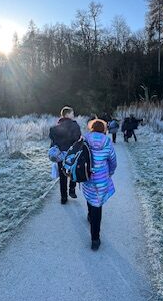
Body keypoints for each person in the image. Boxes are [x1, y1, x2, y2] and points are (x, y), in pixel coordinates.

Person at [82, 119, 117, 250]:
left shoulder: (85, 138)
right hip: (101, 178)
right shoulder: (107, 141)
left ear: (91, 128)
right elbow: (112, 160)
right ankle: (95, 239)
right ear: (104, 130)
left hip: (87, 175)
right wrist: (111, 172)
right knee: (98, 204)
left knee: (90, 196)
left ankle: (90, 215)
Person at [49, 106, 81, 204]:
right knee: (73, 172)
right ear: (67, 114)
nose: (73, 115)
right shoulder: (74, 125)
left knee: (62, 176)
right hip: (72, 153)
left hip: (60, 155)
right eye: (72, 113)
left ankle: (63, 197)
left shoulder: (55, 128)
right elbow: (77, 138)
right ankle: (72, 189)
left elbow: (53, 140)